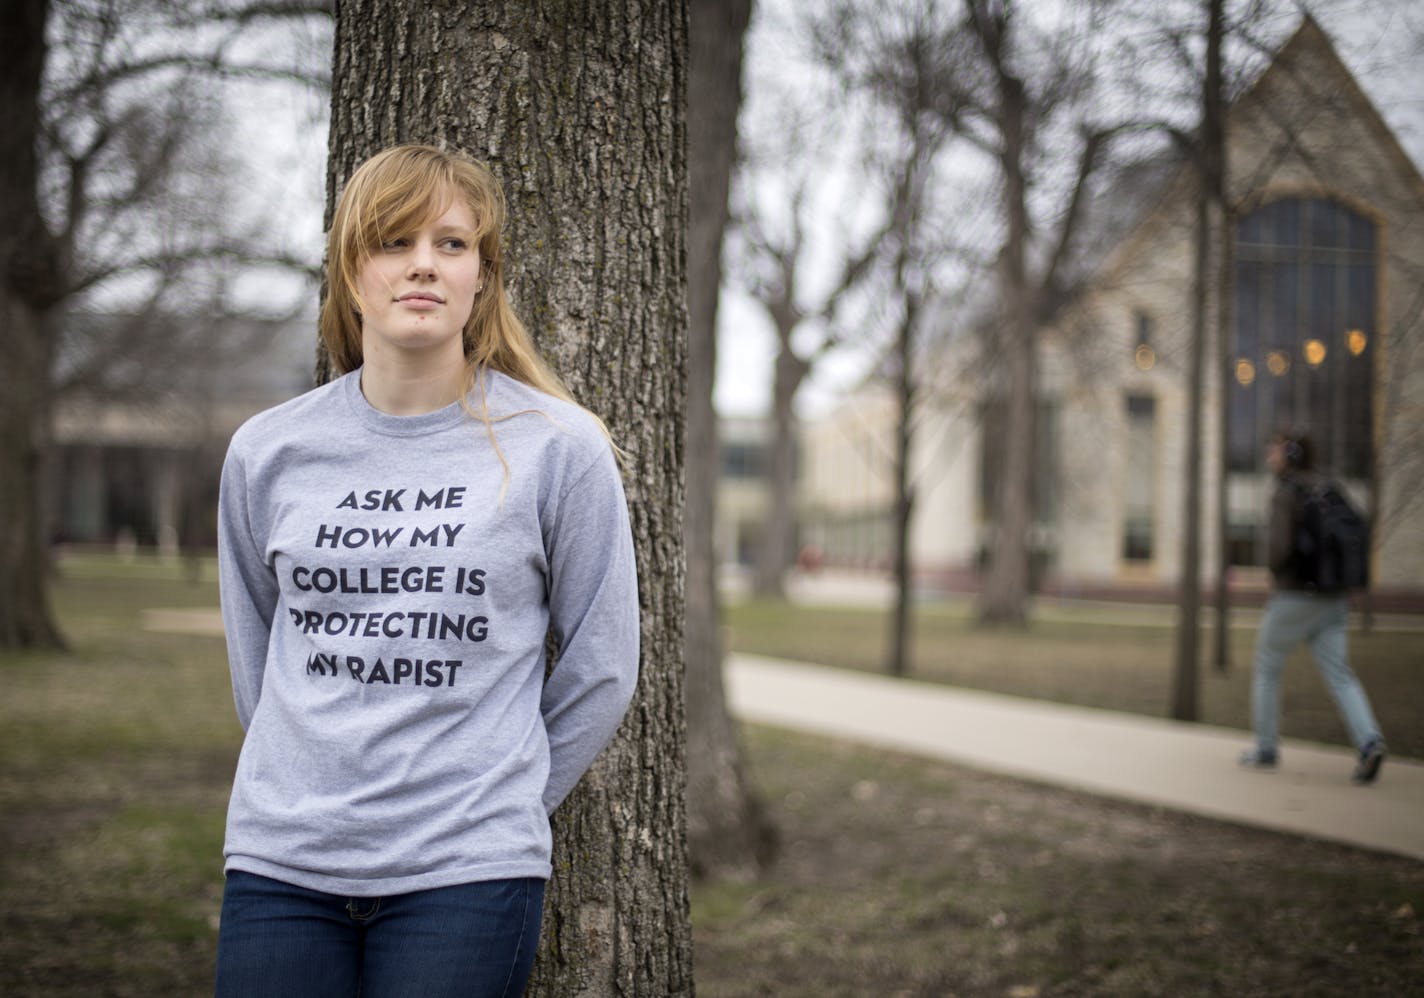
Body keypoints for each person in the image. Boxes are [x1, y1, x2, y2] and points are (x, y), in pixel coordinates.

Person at [213, 144, 640, 997]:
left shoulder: (558, 447)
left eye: (451, 244)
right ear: (349, 270)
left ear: (483, 276)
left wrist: (501, 798)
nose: (422, 266)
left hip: (466, 873)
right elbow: (258, 654)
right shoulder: (269, 451)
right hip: (281, 861)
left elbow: (602, 666)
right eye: (393, 242)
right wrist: (305, 780)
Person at [1239, 430, 1386, 784]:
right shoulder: (1328, 487)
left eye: (1273, 450)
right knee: (1340, 673)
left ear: (1288, 455)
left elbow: (1277, 549)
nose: (1268, 456)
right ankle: (1369, 741)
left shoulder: (1286, 493)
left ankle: (1265, 747)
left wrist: (1274, 573)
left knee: (1266, 667)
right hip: (1333, 599)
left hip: (1294, 596)